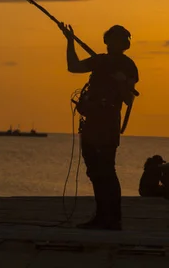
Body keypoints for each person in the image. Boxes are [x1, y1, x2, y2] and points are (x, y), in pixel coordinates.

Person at [58, 23, 138, 231]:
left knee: (107, 170)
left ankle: (113, 218)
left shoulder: (128, 66)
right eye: (114, 38)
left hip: (108, 123)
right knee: (94, 171)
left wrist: (122, 82)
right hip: (92, 122)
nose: (117, 42)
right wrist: (69, 41)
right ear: (107, 40)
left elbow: (129, 99)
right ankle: (102, 215)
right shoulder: (100, 61)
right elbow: (73, 67)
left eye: (122, 39)